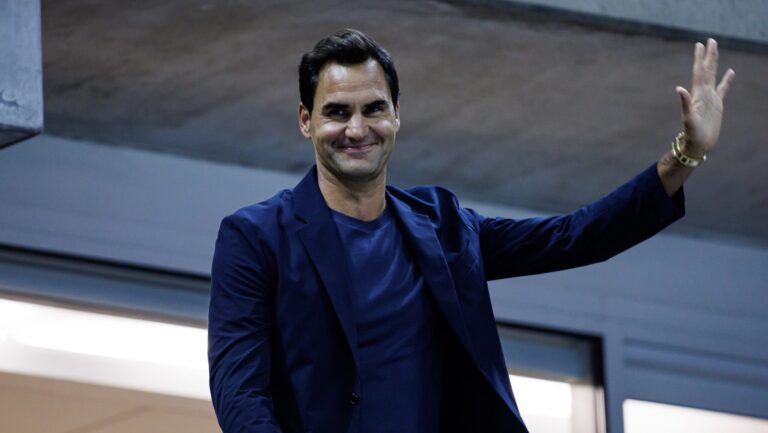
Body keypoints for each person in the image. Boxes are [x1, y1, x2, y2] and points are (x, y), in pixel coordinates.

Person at [207, 29, 735, 433]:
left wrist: (685, 156)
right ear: (305, 120)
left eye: (374, 109)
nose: (356, 129)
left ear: (397, 116)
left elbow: (575, 236)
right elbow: (239, 391)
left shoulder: (443, 224)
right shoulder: (256, 238)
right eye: (336, 112)